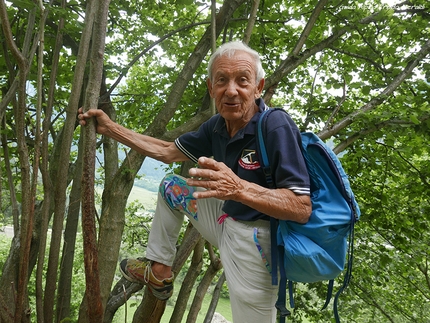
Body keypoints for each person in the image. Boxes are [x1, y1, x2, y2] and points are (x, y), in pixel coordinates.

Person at [78, 41, 312, 323]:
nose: (231, 90)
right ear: (210, 87)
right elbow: (166, 152)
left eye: (242, 80)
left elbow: (301, 206)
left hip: (259, 243)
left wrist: (238, 188)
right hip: (226, 221)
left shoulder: (274, 125)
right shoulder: (216, 126)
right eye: (222, 80)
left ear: (259, 87)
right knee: (171, 188)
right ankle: (159, 271)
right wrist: (110, 129)